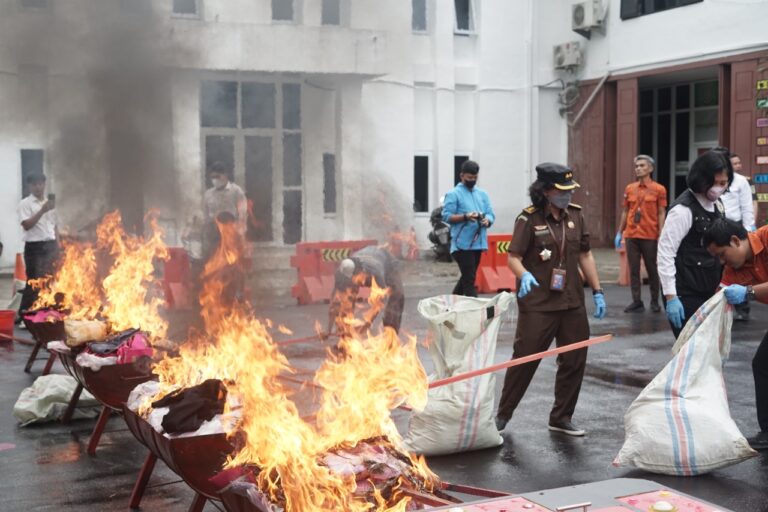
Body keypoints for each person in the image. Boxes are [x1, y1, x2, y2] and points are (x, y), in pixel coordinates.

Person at [495, 163, 606, 437]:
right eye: (562, 190)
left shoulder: (576, 217)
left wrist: (598, 290)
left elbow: (585, 255)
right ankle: (501, 416)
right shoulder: (528, 219)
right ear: (545, 191)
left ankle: (561, 417)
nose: (568, 195)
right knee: (525, 360)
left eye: (570, 190)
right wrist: (524, 276)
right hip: (539, 304)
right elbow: (513, 258)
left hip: (571, 302)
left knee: (574, 359)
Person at [703, 218, 768, 450]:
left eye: (722, 254)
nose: (722, 262)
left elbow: (745, 292)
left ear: (734, 241)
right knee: (763, 365)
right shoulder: (733, 269)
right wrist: (699, 332)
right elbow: (718, 299)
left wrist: (749, 291)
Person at [658, 150, 731, 339]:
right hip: (685, 294)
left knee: (709, 352)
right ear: (702, 179)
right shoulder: (683, 210)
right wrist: (671, 297)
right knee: (692, 353)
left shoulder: (718, 205)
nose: (719, 188)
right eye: (715, 183)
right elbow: (666, 253)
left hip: (710, 289)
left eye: (724, 183)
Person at [615, 155, 667, 313]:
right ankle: (636, 301)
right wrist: (620, 232)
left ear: (650, 168)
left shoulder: (659, 189)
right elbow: (625, 210)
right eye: (636, 165)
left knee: (652, 269)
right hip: (631, 234)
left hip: (650, 235)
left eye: (642, 165)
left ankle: (654, 301)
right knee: (634, 269)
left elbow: (660, 213)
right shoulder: (630, 188)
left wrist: (661, 234)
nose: (638, 168)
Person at [442, 160, 495, 297]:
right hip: (462, 245)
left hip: (478, 243)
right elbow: (446, 216)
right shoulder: (454, 194)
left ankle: (450, 306)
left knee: (467, 277)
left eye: (475, 178)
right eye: (469, 178)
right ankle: (476, 312)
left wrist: (487, 220)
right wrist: (465, 217)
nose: (472, 180)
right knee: (469, 282)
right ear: (462, 176)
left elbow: (490, 213)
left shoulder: (482, 194)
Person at [325, 245, 404, 337]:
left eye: (353, 278)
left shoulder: (376, 273)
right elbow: (335, 302)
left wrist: (367, 324)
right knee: (346, 300)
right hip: (366, 256)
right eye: (349, 278)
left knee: (397, 295)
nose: (351, 281)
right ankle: (345, 334)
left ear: (360, 272)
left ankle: (391, 335)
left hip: (387, 263)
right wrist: (329, 329)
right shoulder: (342, 272)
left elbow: (379, 303)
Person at [720, 149, 758, 321]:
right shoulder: (715, 180)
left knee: (739, 269)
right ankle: (721, 308)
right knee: (719, 270)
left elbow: (747, 207)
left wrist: (749, 233)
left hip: (736, 229)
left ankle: (743, 307)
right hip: (717, 229)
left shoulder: (741, 181)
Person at [17, 173, 59, 315]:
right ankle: (24, 313)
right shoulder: (25, 204)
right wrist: (42, 211)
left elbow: (54, 226)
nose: (38, 187)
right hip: (35, 247)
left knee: (50, 279)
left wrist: (58, 245)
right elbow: (27, 225)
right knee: (34, 280)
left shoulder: (49, 203)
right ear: (29, 186)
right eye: (34, 184)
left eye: (40, 184)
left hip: (50, 245)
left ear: (44, 184)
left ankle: (44, 311)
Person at [202, 162, 247, 260]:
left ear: (225, 175)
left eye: (217, 176)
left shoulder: (236, 191)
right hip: (214, 235)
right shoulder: (208, 194)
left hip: (231, 233)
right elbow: (206, 216)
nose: (215, 180)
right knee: (214, 261)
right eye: (212, 177)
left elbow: (242, 214)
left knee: (231, 262)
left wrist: (240, 233)